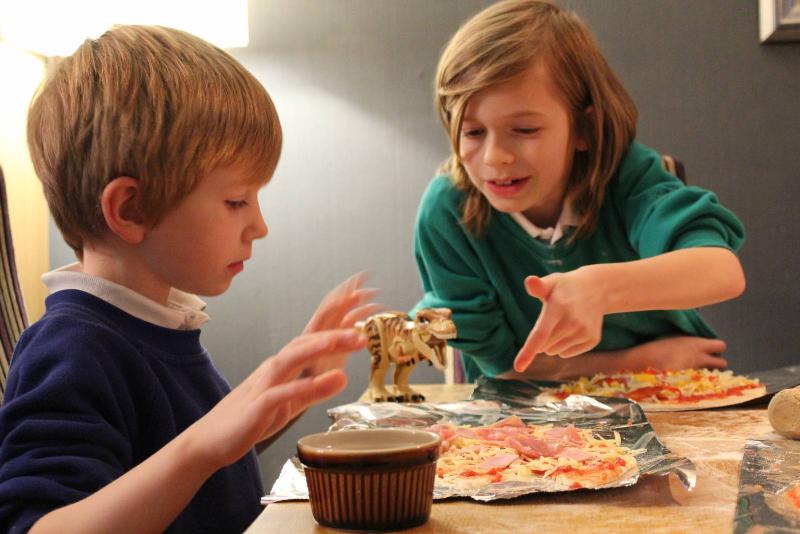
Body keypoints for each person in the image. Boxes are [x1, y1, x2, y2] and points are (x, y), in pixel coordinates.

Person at [0, 25, 379, 533]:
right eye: (236, 201)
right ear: (130, 208)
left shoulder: (153, 322)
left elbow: (185, 463)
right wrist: (201, 445)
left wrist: (278, 399)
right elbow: (38, 526)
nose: (259, 226)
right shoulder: (72, 347)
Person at [412, 0, 745, 383]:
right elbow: (504, 368)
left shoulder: (626, 177)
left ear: (584, 129)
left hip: (668, 394)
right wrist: (641, 358)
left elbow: (722, 271)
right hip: (527, 417)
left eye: (524, 130)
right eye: (472, 132)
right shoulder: (447, 212)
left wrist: (599, 288)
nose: (494, 157)